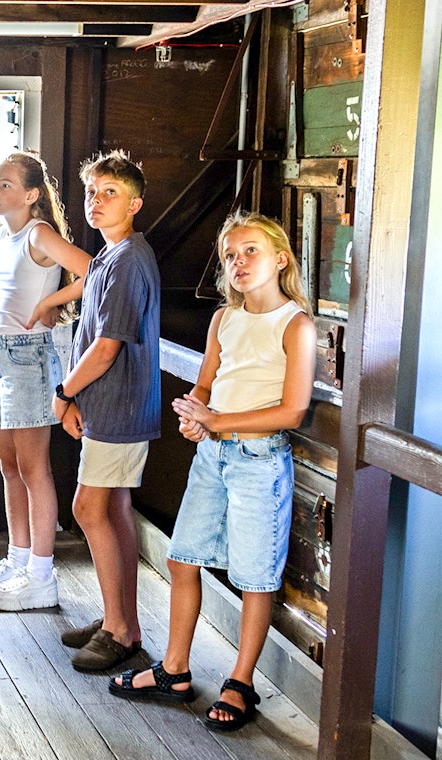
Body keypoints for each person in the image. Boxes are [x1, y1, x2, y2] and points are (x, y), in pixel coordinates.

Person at [109, 212, 315, 732]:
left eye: (250, 251)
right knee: (183, 559)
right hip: (213, 458)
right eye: (230, 255)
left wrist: (218, 418)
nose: (239, 262)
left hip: (260, 462)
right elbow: (206, 384)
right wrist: (195, 417)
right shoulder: (224, 318)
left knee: (254, 577)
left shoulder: (296, 324)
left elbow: (293, 411)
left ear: (280, 259)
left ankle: (240, 682)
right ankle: (174, 671)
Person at [0, 152, 92, 612]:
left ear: (31, 195)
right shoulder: (5, 233)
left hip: (28, 356)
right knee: (9, 467)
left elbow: (93, 269)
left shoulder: (39, 234)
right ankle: (17, 560)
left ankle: (41, 574)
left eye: (5, 184)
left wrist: (48, 304)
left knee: (34, 468)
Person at [52, 150, 159, 671]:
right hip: (106, 406)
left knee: (88, 509)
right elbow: (88, 336)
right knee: (113, 508)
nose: (97, 200)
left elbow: (107, 347)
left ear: (135, 203)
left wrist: (64, 391)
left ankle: (121, 630)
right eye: (93, 192)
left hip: (120, 406)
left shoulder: (130, 260)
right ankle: (119, 618)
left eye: (110, 192)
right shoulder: (108, 256)